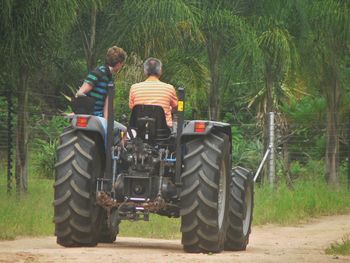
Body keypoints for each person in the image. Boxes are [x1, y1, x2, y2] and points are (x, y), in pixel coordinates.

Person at [76, 46, 127, 118]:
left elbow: (79, 94)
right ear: (118, 64)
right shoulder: (99, 74)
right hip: (92, 118)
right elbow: (80, 93)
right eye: (122, 65)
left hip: (92, 118)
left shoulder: (106, 77)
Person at [129, 57, 178, 128]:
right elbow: (176, 107)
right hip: (163, 132)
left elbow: (132, 108)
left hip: (140, 131)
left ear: (145, 72)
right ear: (160, 71)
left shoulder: (134, 88)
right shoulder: (169, 88)